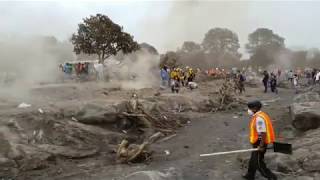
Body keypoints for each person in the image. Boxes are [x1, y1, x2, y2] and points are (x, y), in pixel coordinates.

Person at [243, 100, 277, 180]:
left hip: (260, 142)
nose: (248, 110)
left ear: (255, 108)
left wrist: (261, 146)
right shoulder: (262, 114)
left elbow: (263, 133)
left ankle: (271, 177)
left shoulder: (259, 119)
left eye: (250, 108)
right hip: (258, 141)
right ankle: (250, 175)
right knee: (252, 160)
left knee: (258, 163)